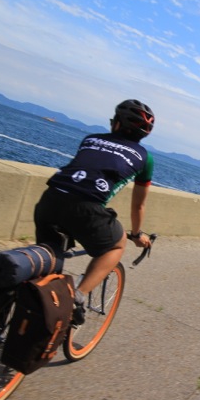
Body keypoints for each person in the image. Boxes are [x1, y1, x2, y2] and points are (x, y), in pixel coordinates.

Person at [34, 99, 155, 321]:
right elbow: (138, 204)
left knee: (47, 260)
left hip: (49, 199)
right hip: (86, 210)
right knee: (117, 244)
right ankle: (77, 297)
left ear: (116, 124)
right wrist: (137, 235)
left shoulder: (91, 139)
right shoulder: (145, 158)